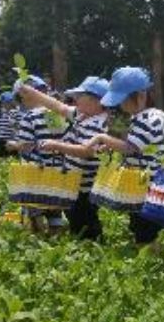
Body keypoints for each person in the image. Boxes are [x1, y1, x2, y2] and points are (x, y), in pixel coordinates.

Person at [19, 76, 110, 241]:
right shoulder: (82, 115)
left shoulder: (100, 124)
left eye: (79, 96)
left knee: (85, 216)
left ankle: (92, 243)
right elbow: (58, 106)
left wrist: (58, 146)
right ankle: (82, 240)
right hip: (73, 181)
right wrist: (32, 93)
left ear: (95, 101)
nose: (75, 100)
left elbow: (86, 151)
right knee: (73, 214)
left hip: (86, 186)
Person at [85, 67, 164, 249]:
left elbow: (130, 148)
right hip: (136, 182)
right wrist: (110, 145)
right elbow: (129, 143)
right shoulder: (138, 117)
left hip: (147, 182)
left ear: (141, 95)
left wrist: (102, 138)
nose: (120, 105)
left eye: (123, 100)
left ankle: (150, 255)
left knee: (145, 226)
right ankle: (145, 250)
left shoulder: (152, 118)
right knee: (137, 222)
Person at [9, 75, 69, 233]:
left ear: (23, 97)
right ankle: (56, 234)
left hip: (35, 171)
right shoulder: (57, 115)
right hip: (57, 168)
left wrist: (14, 145)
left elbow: (26, 146)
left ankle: (38, 235)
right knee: (54, 208)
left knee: (34, 207)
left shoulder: (29, 117)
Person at [0, 92, 18, 157]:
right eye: (2, 103)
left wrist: (13, 122)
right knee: (1, 157)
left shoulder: (15, 112)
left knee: (12, 157)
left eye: (6, 102)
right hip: (2, 139)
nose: (4, 105)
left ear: (11, 102)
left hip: (12, 139)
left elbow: (17, 125)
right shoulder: (0, 112)